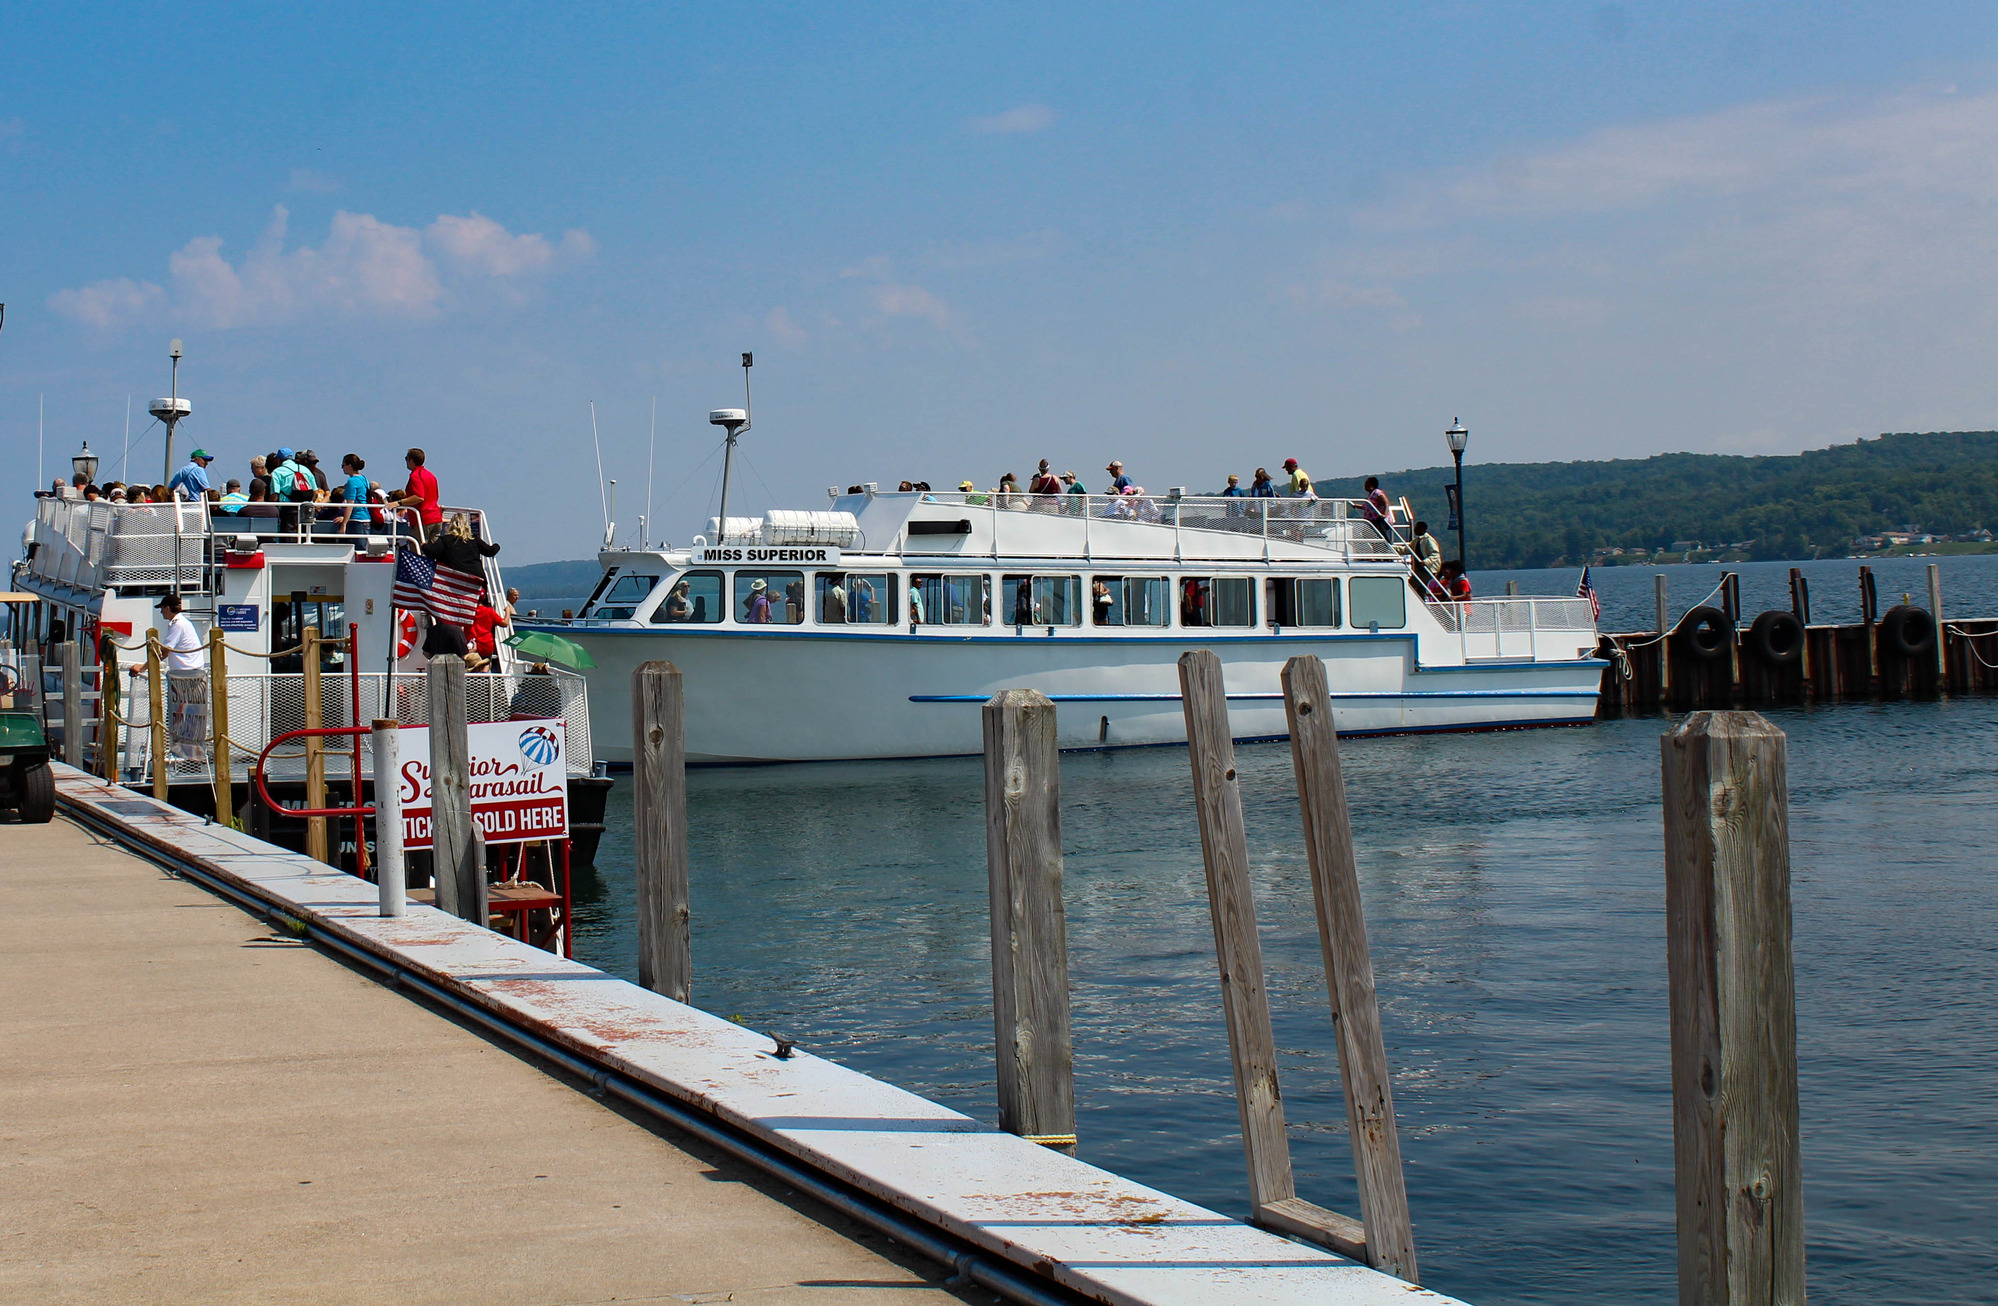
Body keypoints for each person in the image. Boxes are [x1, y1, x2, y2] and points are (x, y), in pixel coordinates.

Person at [157, 594, 209, 762]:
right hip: (193, 675)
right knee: (189, 714)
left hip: (185, 678)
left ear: (167, 608)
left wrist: (143, 666)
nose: (161, 613)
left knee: (179, 714)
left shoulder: (177, 625)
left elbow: (164, 652)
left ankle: (183, 753)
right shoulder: (185, 623)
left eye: (162, 609)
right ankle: (190, 753)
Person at [421, 512, 501, 577]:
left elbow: (432, 552)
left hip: (454, 580)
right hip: (476, 579)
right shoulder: (473, 539)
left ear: (451, 525)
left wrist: (423, 545)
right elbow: (490, 551)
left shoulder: (445, 540)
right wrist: (496, 545)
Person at [391, 447, 444, 541]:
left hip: (422, 520)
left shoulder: (416, 476)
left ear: (411, 460)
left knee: (418, 551)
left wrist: (399, 503)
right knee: (433, 552)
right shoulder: (430, 475)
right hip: (436, 518)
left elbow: (419, 497)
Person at [336, 453, 373, 535]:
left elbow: (350, 504)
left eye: (343, 465)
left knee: (357, 547)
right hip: (366, 517)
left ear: (349, 466)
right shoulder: (364, 479)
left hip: (357, 520)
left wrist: (344, 524)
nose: (342, 468)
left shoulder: (352, 481)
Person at [468, 589, 509, 659]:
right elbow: (505, 623)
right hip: (486, 645)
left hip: (470, 644)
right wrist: (508, 611)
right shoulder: (489, 611)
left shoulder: (467, 611)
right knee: (486, 665)